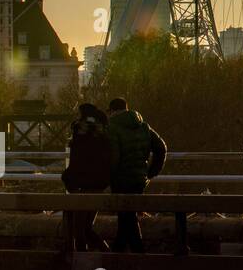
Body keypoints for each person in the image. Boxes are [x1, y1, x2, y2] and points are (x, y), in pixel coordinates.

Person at [106, 98, 168, 253]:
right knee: (128, 217)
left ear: (112, 111)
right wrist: (150, 172)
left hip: (121, 179)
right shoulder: (143, 126)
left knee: (126, 217)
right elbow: (161, 148)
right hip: (139, 179)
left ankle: (136, 253)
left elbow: (113, 157)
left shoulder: (112, 128)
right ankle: (121, 252)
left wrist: (108, 178)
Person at [61, 102, 111, 252]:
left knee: (80, 230)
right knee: (86, 227)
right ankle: (106, 254)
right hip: (98, 184)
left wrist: (67, 178)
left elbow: (77, 162)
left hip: (81, 185)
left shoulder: (80, 134)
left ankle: (85, 258)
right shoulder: (103, 133)